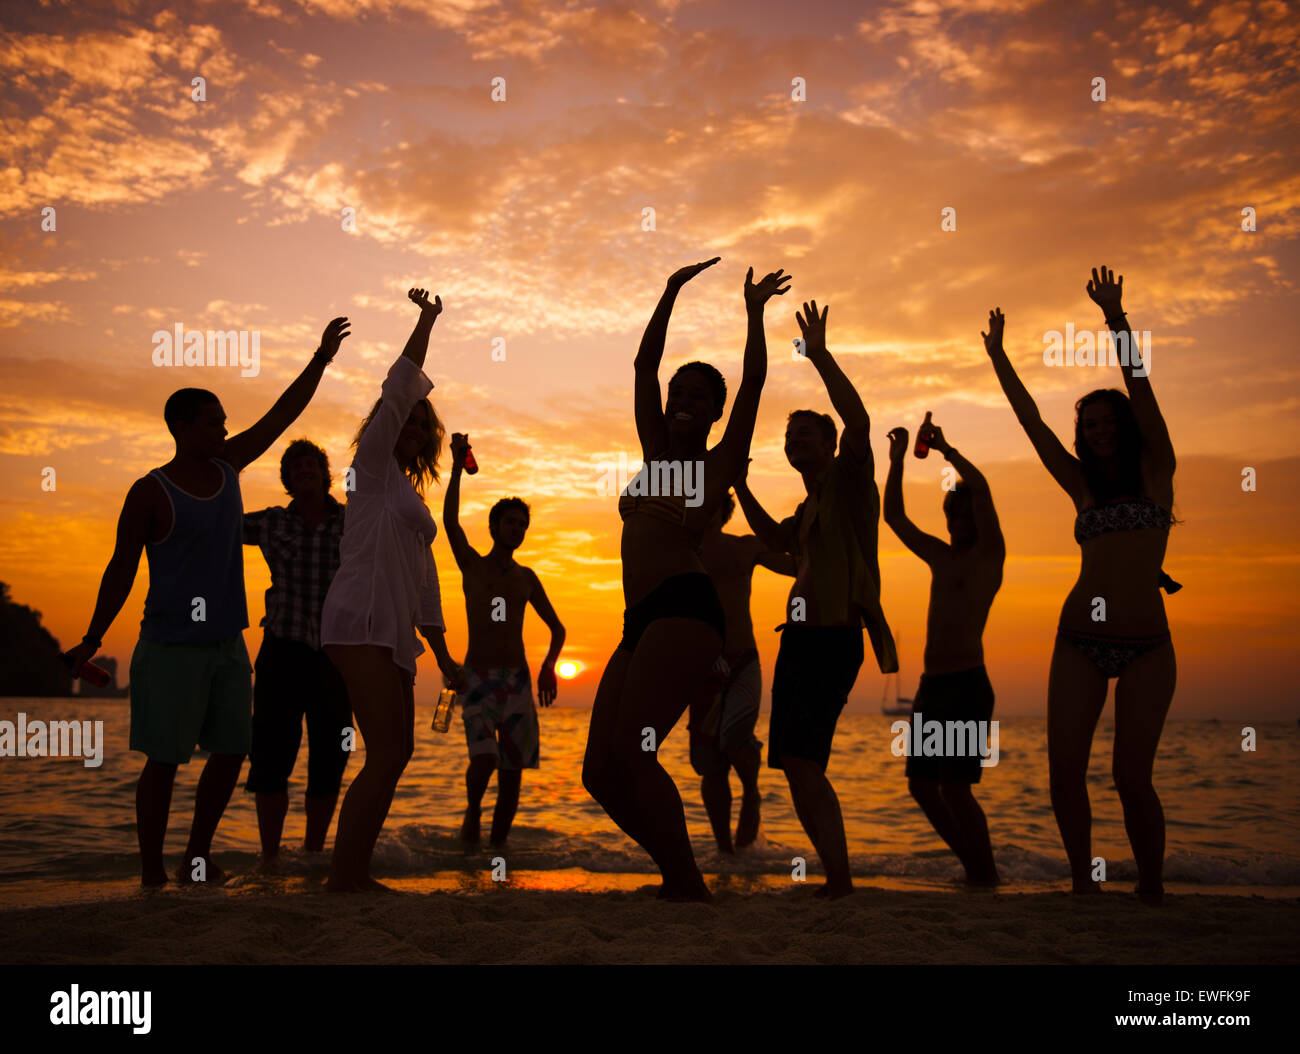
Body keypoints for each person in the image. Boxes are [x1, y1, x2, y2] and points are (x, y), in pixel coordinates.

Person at [62, 317, 352, 886]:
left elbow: (280, 416)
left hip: (227, 645)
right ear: (184, 427)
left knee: (230, 752)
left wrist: (320, 359)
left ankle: (196, 856)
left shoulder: (228, 467)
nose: (225, 428)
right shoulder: (150, 492)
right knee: (165, 760)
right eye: (216, 421)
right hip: (170, 646)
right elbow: (120, 569)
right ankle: (151, 873)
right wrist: (93, 639)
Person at [582, 258, 790, 901]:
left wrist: (754, 313)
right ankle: (677, 871)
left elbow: (754, 383)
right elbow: (644, 367)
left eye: (699, 396)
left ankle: (686, 882)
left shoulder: (717, 464)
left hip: (685, 611)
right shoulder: (652, 451)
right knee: (599, 772)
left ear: (714, 413)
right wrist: (670, 290)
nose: (682, 401)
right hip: (638, 619)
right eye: (680, 392)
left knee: (635, 753)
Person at [984, 265, 1178, 900]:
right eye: (1088, 424)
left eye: (1106, 422)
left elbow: (1143, 393)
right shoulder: (1082, 486)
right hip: (1079, 639)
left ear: (1122, 426)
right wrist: (999, 359)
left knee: (1130, 776)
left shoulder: (1157, 473)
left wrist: (1115, 318)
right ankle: (1082, 886)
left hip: (1148, 644)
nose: (1098, 431)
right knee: (1064, 771)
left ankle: (1151, 888)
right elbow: (1031, 424)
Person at [734, 299, 897, 899]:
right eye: (791, 435)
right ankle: (837, 878)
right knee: (797, 764)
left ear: (830, 446)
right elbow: (776, 545)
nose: (797, 439)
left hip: (834, 635)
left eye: (808, 433)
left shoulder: (850, 485)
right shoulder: (806, 512)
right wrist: (739, 485)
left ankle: (840, 880)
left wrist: (820, 355)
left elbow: (859, 422)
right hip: (801, 639)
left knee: (804, 762)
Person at [320, 288, 466, 893]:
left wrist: (445, 655)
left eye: (421, 426)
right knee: (384, 755)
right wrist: (426, 320)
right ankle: (345, 877)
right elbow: (397, 388)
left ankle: (352, 872)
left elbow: (425, 583)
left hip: (393, 630)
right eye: (406, 421)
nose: (411, 428)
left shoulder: (406, 494)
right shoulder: (372, 471)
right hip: (360, 621)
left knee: (395, 754)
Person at [883, 421, 1004, 885]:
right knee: (922, 786)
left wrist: (946, 449)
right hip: (932, 687)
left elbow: (982, 488)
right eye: (953, 516)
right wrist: (895, 464)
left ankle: (985, 873)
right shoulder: (940, 556)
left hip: (967, 686)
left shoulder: (988, 555)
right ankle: (975, 868)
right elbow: (894, 519)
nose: (958, 525)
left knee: (956, 788)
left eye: (966, 517)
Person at [442, 435, 566, 847]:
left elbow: (558, 628)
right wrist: (458, 466)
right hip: (476, 679)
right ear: (494, 526)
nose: (517, 528)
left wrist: (549, 667)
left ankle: (498, 849)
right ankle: (473, 811)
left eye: (522, 525)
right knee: (485, 759)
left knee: (512, 771)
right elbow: (450, 523)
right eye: (510, 522)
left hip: (517, 682)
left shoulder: (526, 578)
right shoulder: (474, 567)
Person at [242, 439, 351, 863]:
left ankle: (313, 852)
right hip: (282, 652)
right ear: (286, 479)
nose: (304, 469)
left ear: (325, 475)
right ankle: (270, 856)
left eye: (312, 464)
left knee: (330, 757)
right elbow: (217, 525)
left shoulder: (352, 523)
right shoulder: (271, 523)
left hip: (335, 657)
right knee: (270, 758)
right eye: (294, 466)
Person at [691, 489, 794, 854]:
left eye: (715, 503)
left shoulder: (746, 547)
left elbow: (794, 565)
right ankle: (724, 850)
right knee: (710, 763)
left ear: (725, 509)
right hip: (702, 665)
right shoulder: (686, 553)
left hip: (743, 660)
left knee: (734, 739)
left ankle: (752, 791)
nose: (709, 510)